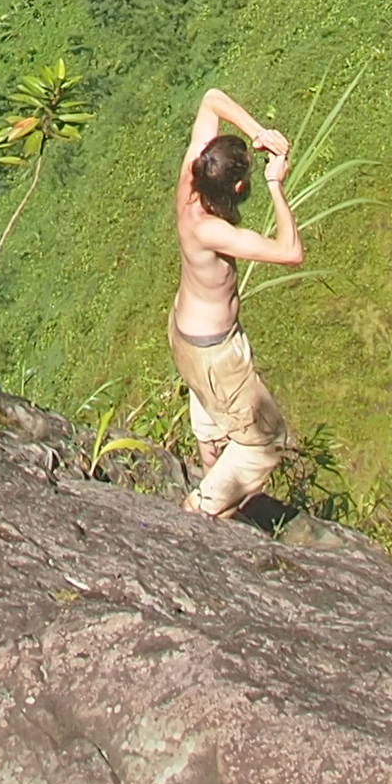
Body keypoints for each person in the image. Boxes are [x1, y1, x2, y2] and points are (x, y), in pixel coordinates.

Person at [170, 84, 302, 521]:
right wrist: (276, 185)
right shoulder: (212, 230)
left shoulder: (192, 178)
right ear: (240, 186)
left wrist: (259, 132)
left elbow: (210, 98)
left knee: (216, 429)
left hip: (186, 337)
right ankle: (202, 511)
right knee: (267, 440)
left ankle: (225, 503)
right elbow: (289, 251)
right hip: (214, 353)